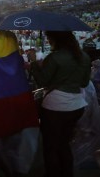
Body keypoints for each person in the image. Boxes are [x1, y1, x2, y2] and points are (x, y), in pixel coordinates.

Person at [31, 31, 91, 177]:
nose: (49, 41)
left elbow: (43, 81)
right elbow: (83, 83)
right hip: (77, 106)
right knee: (64, 144)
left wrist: (33, 63)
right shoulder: (84, 56)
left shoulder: (54, 57)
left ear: (57, 39)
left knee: (51, 147)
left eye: (49, 38)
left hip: (55, 107)